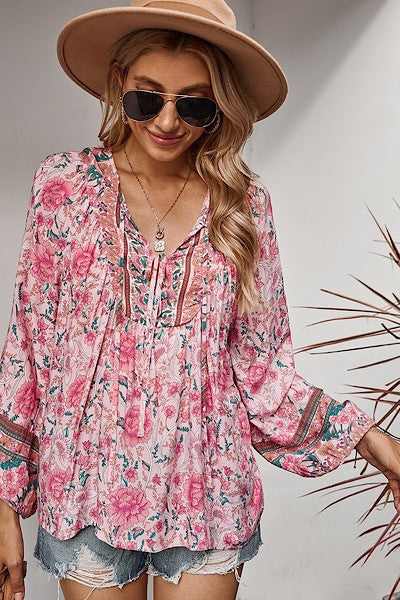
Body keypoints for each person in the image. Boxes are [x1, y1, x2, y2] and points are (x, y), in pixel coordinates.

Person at [0, 1, 399, 600]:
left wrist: (369, 439)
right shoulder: (63, 186)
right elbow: (29, 350)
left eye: (194, 104)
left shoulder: (244, 205)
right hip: (86, 485)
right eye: (146, 97)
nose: (167, 120)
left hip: (207, 488)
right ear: (118, 82)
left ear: (220, 108)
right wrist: (4, 501)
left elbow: (261, 369)